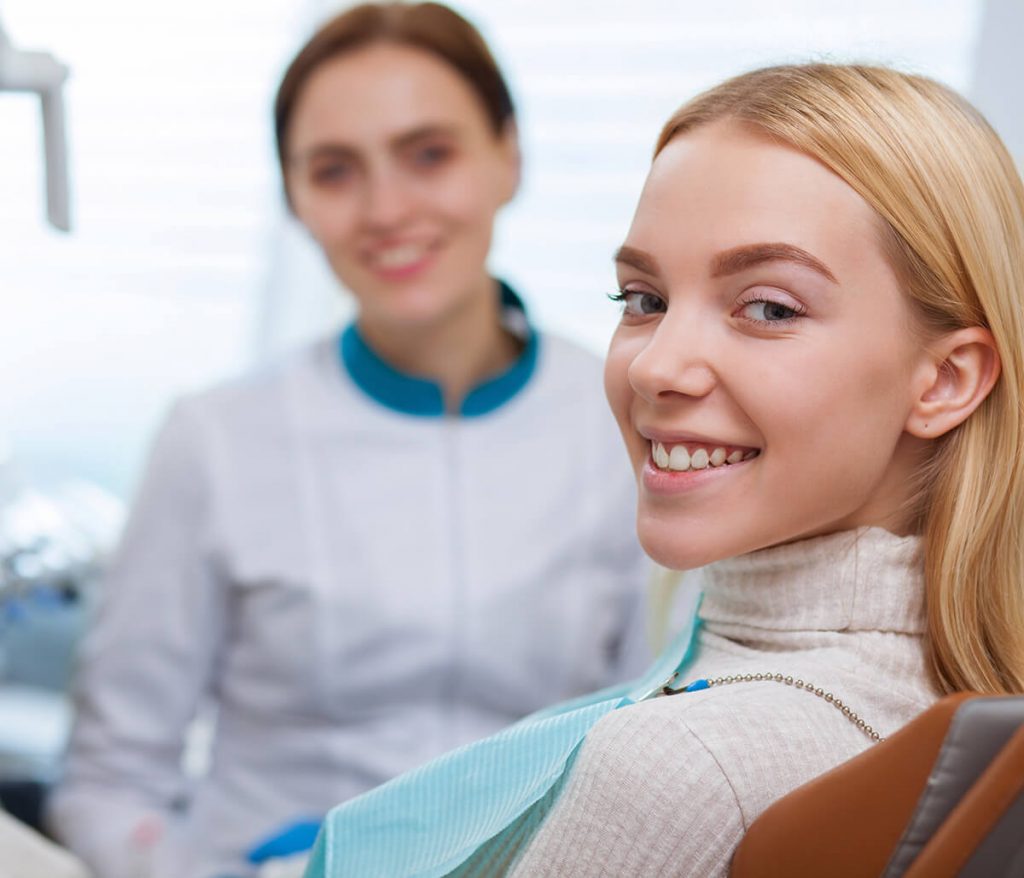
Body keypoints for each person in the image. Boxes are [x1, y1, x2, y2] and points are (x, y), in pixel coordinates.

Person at [302, 62, 1024, 877]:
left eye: (769, 308)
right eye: (642, 299)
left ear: (946, 380)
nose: (656, 368)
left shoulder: (679, 768)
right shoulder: (940, 705)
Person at [46, 4, 651, 876]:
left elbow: (654, 739)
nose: (387, 209)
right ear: (293, 197)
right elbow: (110, 779)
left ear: (507, 157)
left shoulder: (626, 419)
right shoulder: (215, 439)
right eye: (335, 171)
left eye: (429, 154)